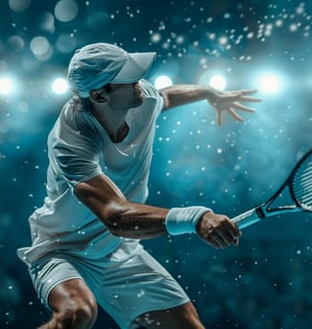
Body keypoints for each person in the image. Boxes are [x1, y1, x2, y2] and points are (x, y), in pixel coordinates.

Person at [17, 42, 260, 329]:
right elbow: (117, 217)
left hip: (118, 250)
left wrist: (208, 93)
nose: (138, 84)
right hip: (62, 247)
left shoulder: (141, 97)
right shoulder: (70, 141)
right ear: (99, 95)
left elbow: (167, 97)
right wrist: (195, 218)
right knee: (77, 314)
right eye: (127, 79)